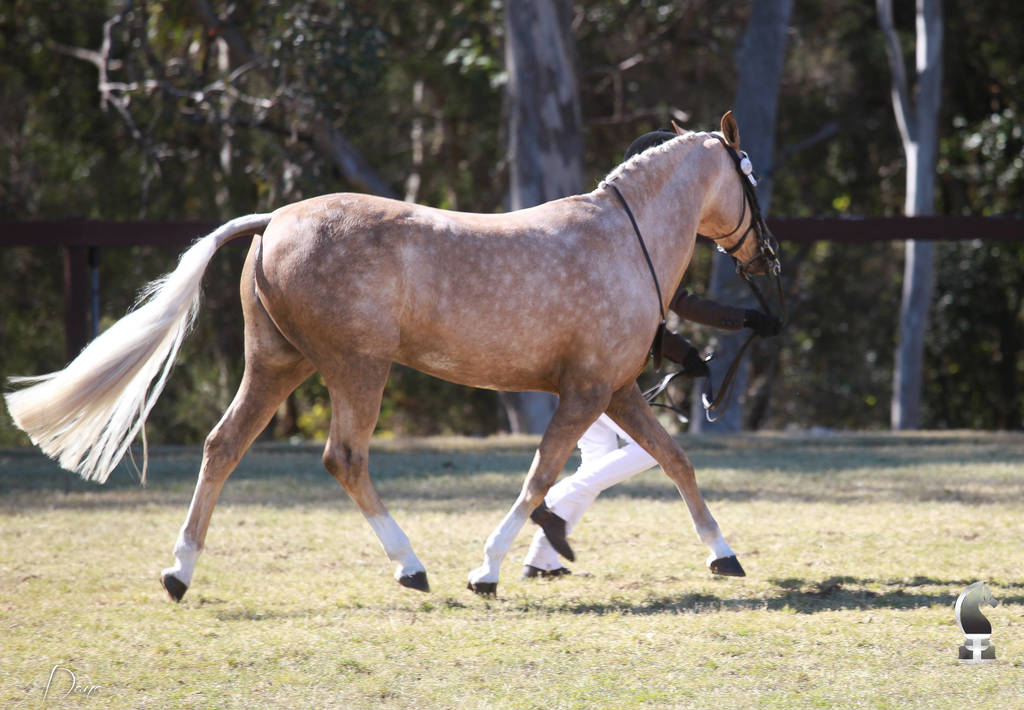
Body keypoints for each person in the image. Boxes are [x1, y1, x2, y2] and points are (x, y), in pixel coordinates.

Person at [521, 285, 780, 578]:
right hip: (601, 382)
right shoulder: (640, 256)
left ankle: (541, 560)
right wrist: (747, 319)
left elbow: (646, 322)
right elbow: (683, 303)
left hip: (584, 376)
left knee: (598, 460)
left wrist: (685, 355)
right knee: (651, 448)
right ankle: (551, 499)